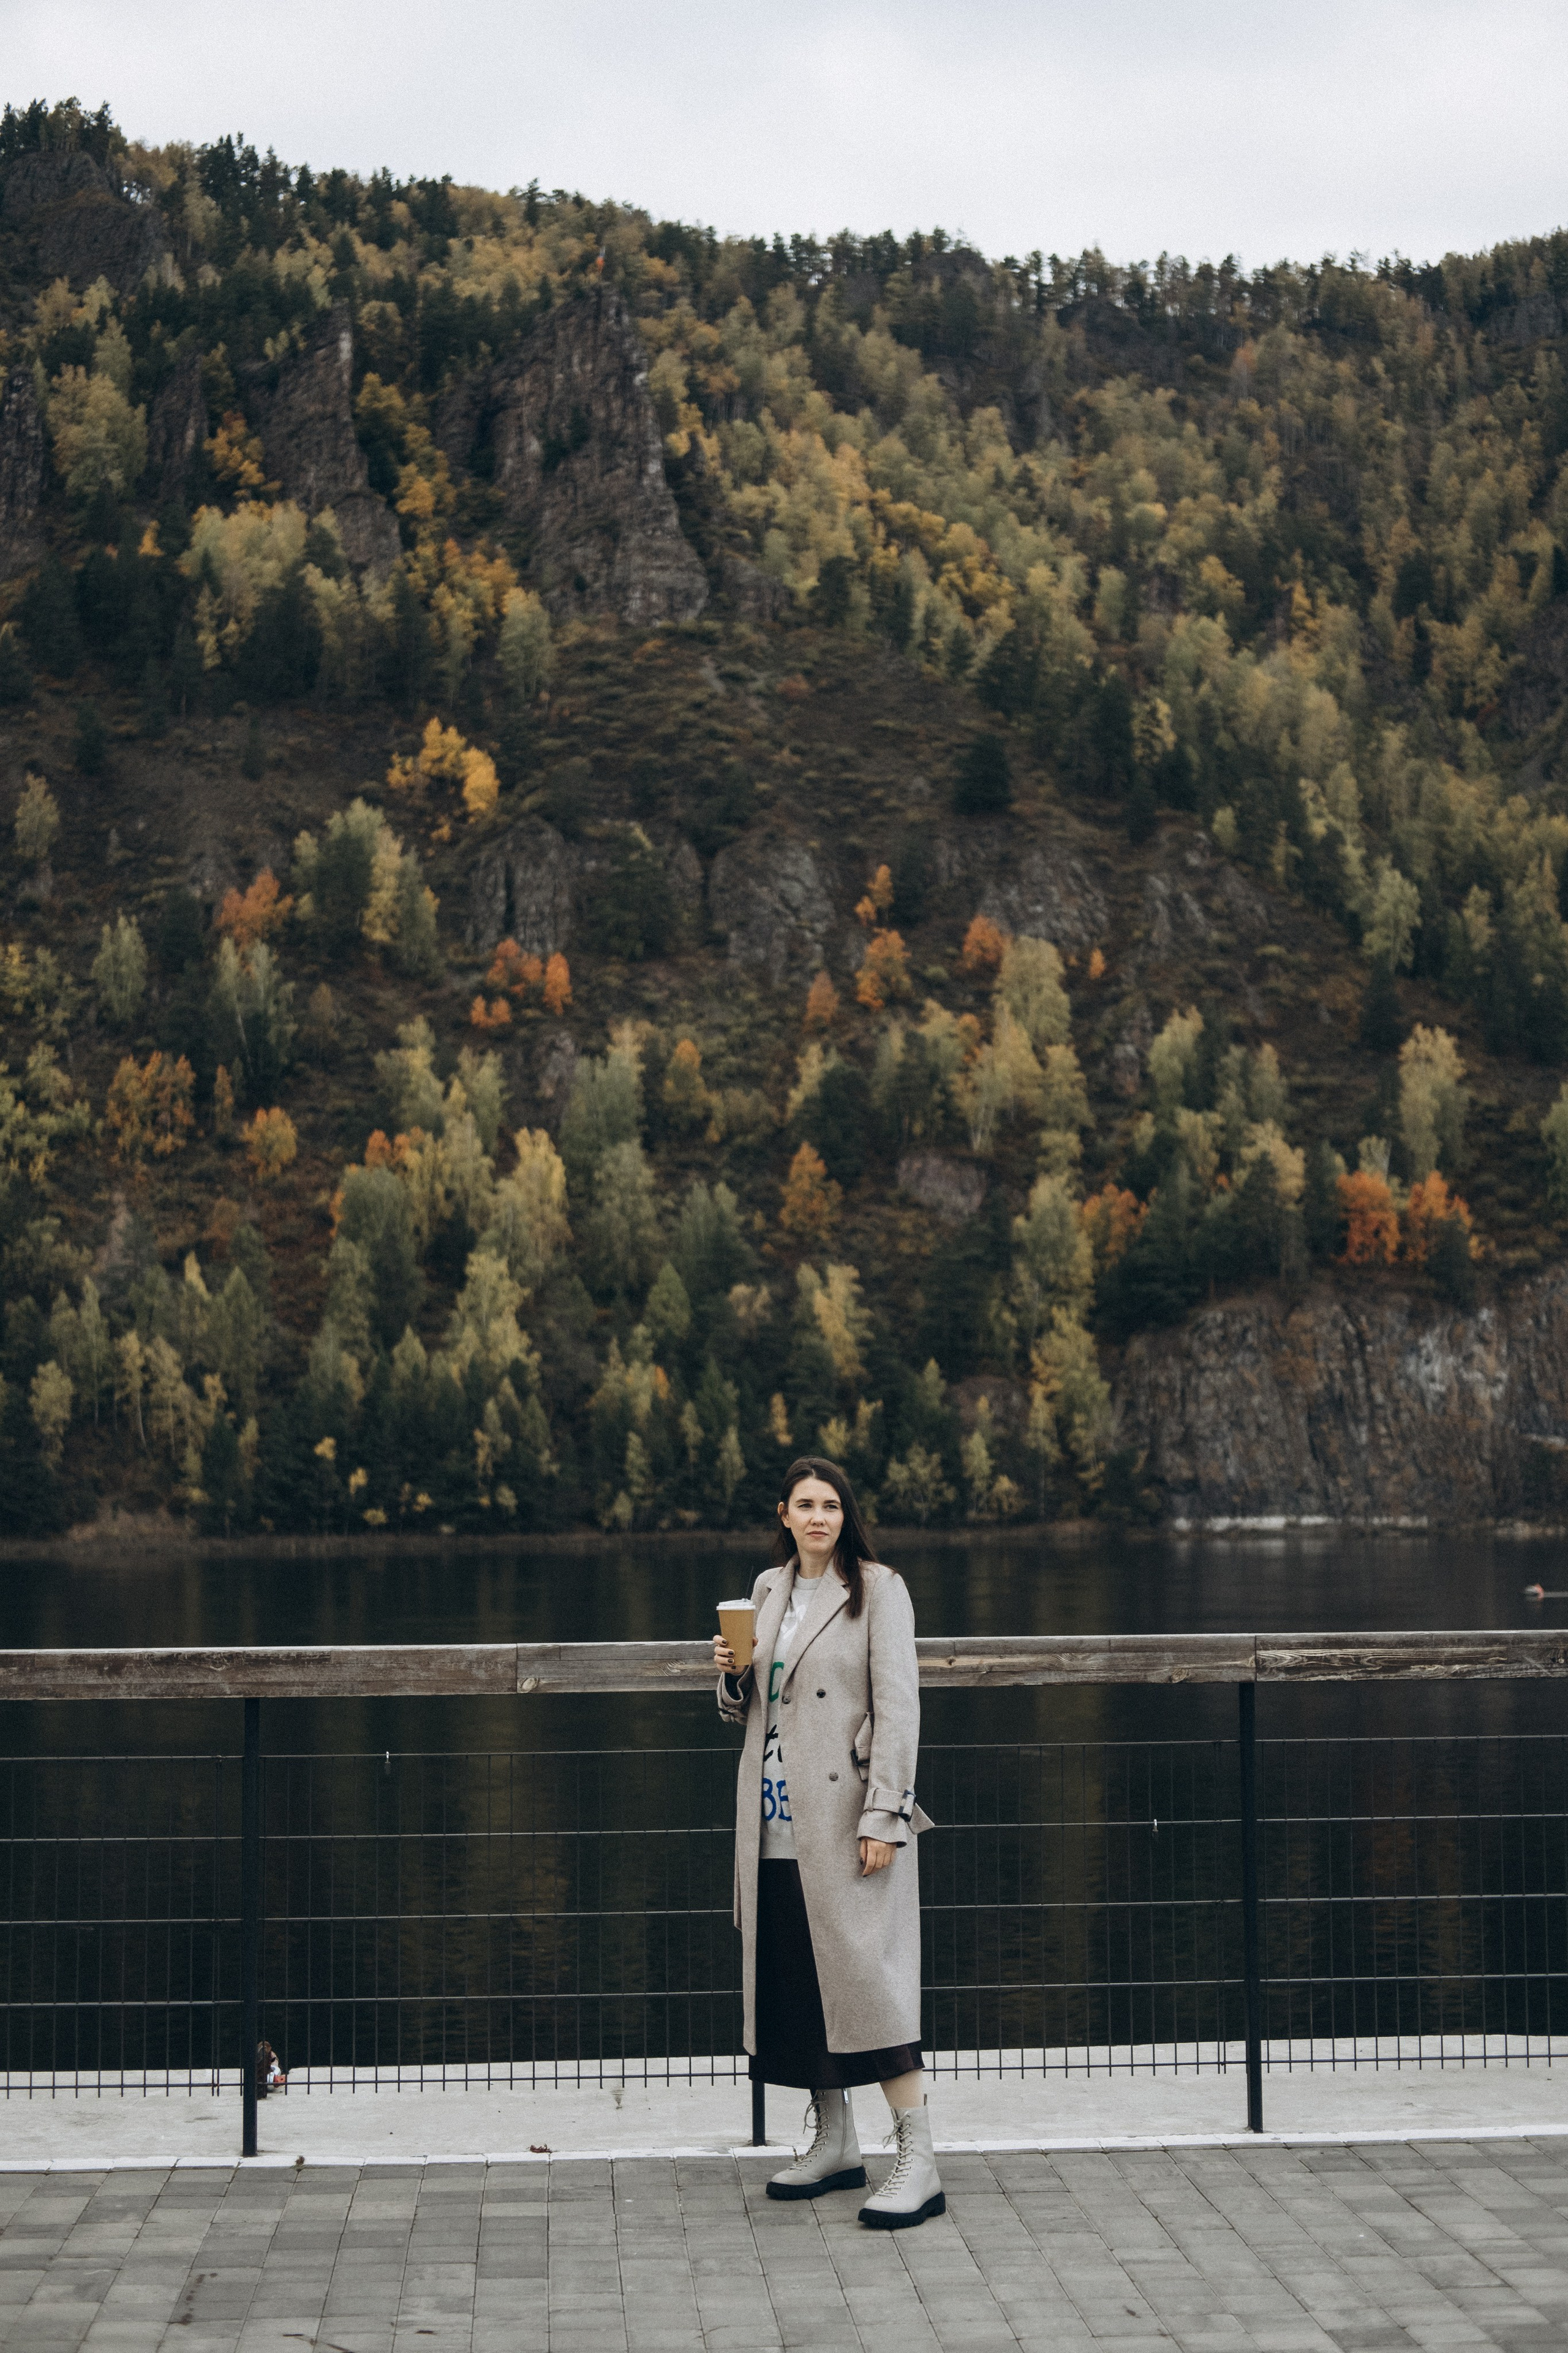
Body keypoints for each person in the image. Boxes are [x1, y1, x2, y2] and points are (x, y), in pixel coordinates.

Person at [712, 1456, 941, 2229]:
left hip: (847, 1819)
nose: (819, 1517)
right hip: (774, 1818)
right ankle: (836, 2140)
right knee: (801, 1980)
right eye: (805, 1505)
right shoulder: (767, 1590)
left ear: (846, 1515)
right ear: (783, 1514)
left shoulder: (878, 1590)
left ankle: (919, 2159)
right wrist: (729, 1676)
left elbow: (899, 1710)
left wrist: (885, 1815)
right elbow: (751, 1706)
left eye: (832, 1505)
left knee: (867, 1984)